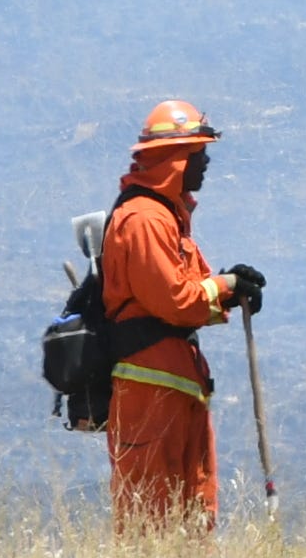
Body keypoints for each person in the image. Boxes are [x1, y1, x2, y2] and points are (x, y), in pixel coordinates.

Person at [99, 98, 260, 535]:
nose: (206, 164)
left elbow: (189, 291)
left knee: (192, 508)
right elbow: (175, 300)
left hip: (176, 384)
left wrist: (230, 290)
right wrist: (224, 286)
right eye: (199, 154)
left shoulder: (165, 217)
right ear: (177, 160)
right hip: (150, 388)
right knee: (149, 514)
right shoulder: (145, 219)